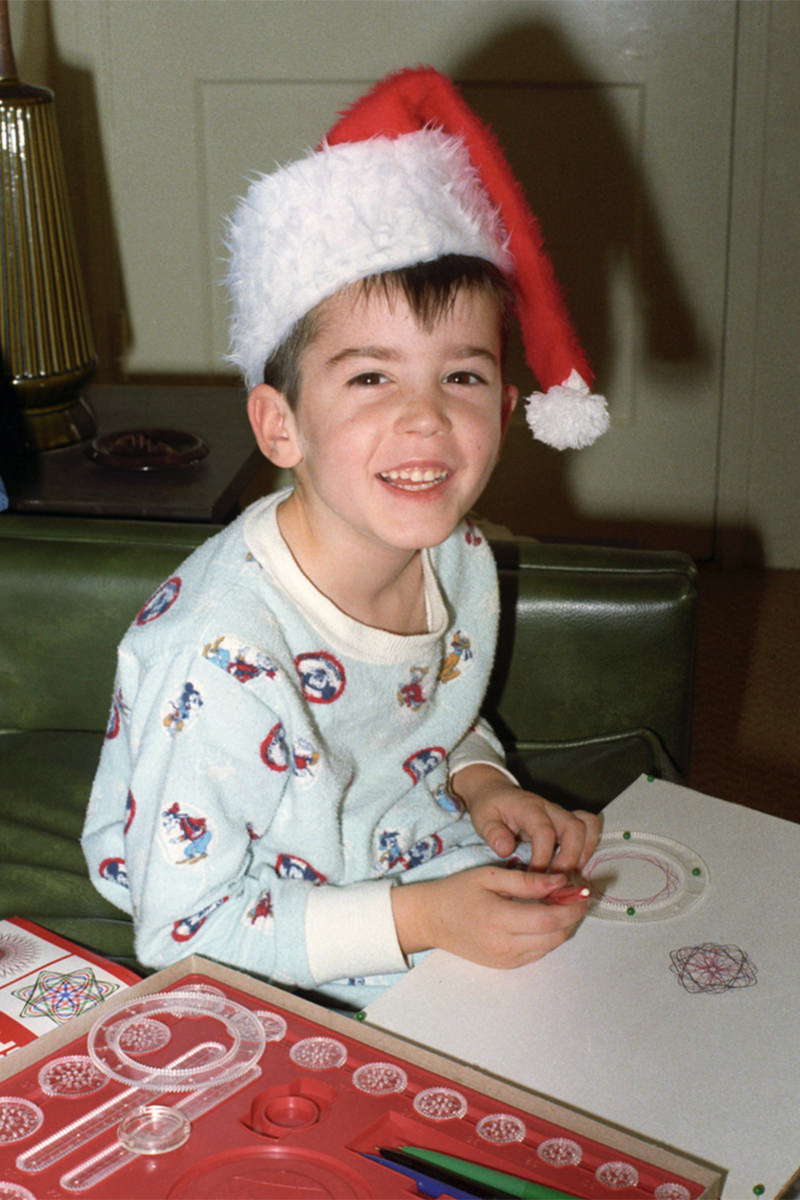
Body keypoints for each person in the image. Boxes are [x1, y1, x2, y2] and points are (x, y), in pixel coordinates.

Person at [82, 67, 609, 1008]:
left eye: (464, 378)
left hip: (405, 852)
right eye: (371, 378)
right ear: (281, 425)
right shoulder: (220, 652)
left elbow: (421, 714)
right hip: (260, 928)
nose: (426, 420)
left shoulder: (458, 554)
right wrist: (428, 919)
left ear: (509, 405)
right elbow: (178, 934)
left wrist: (484, 780)